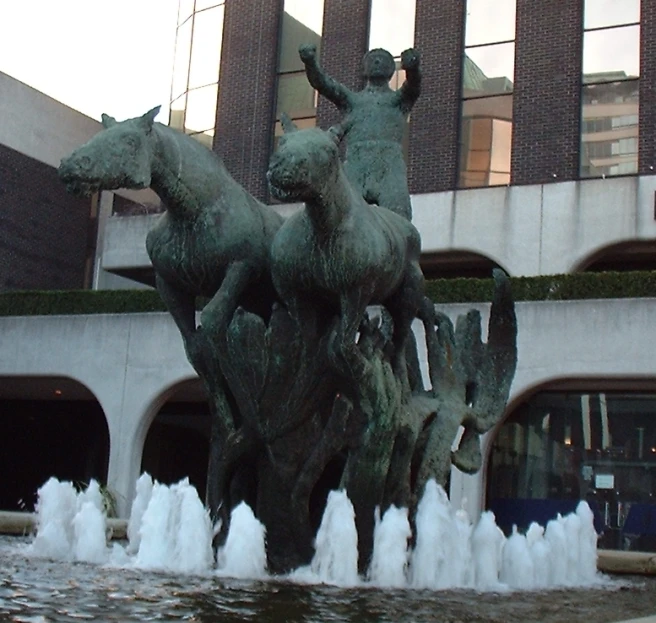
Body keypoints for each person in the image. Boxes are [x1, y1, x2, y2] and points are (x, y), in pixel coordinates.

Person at [299, 44, 421, 221]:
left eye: (384, 59)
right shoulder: (352, 101)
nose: (377, 61)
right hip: (357, 165)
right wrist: (310, 62)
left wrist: (413, 68)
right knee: (342, 219)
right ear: (364, 69)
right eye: (372, 59)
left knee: (400, 220)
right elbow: (323, 84)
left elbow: (413, 86)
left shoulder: (398, 101)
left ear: (392, 70)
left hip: (389, 166)